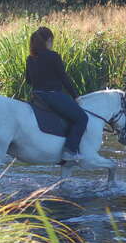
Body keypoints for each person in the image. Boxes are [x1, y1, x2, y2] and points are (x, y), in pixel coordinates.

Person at [25, 26, 88, 161]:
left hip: (36, 96)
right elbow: (64, 78)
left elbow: (28, 81)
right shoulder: (53, 56)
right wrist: (76, 96)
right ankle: (70, 151)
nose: (52, 43)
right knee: (82, 118)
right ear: (48, 40)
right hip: (51, 95)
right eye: (52, 40)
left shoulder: (30, 58)